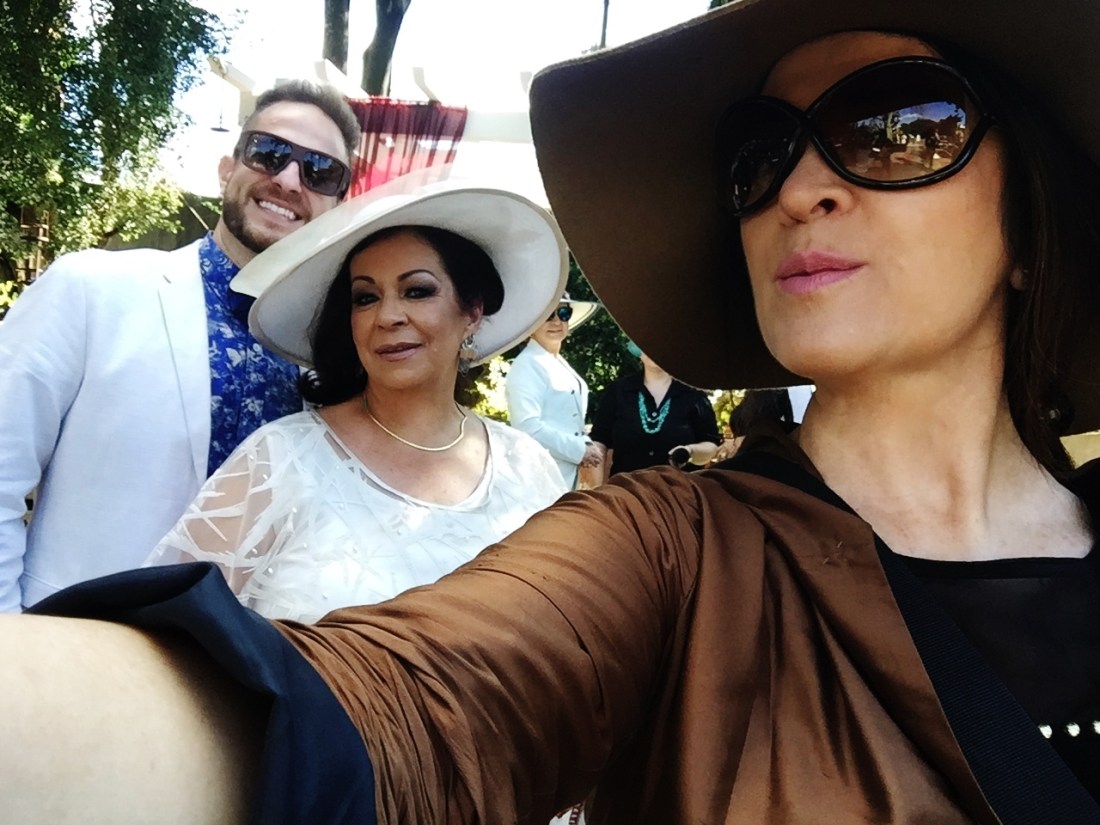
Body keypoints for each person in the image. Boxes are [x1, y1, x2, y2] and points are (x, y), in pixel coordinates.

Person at [7, 0, 1100, 821]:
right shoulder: (669, 555)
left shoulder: (529, 471)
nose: (798, 189)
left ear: (1032, 212)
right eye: (758, 156)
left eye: (897, 125)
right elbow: (411, 703)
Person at [0, 80, 362, 611]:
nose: (289, 179)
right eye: (269, 152)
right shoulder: (91, 289)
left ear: (335, 208)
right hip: (73, 642)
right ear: (226, 170)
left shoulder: (335, 355)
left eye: (320, 171)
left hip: (248, 657)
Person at [145, 184, 570, 622]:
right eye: (366, 298)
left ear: (473, 312)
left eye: (417, 291)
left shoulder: (527, 468)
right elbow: (167, 630)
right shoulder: (279, 460)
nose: (387, 317)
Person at [505, 292, 602, 488]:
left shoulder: (556, 361)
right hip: (540, 479)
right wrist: (579, 450)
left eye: (564, 313)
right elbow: (527, 427)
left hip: (564, 478)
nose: (557, 321)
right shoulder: (526, 365)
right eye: (548, 315)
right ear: (533, 322)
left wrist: (586, 443)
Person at [589, 344, 720, 476]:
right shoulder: (617, 391)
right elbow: (599, 441)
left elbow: (711, 444)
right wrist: (595, 485)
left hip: (679, 487)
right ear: (637, 349)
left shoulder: (694, 394)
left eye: (662, 343)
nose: (654, 349)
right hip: (625, 487)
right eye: (648, 343)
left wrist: (689, 451)